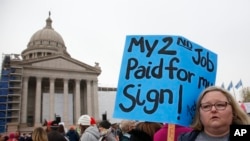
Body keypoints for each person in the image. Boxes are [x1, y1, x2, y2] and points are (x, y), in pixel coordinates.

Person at [178, 86, 250, 141]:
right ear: (199, 114)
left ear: (233, 110)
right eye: (206, 106)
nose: (213, 110)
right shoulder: (185, 139)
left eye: (220, 105)